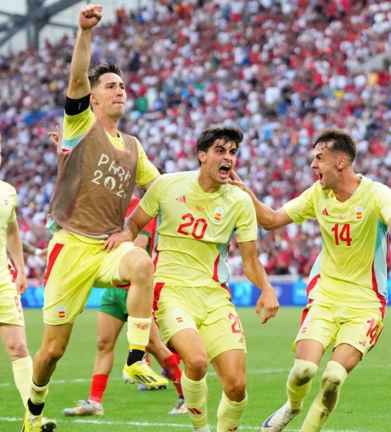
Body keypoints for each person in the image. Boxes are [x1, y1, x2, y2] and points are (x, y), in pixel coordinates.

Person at [22, 5, 165, 431]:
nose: (120, 91)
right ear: (95, 96)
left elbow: (160, 190)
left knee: (141, 262)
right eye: (110, 86)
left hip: (107, 247)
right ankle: (33, 414)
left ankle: (136, 359)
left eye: (123, 85)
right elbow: (75, 79)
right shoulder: (81, 124)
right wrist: (84, 35)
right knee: (51, 352)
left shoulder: (134, 147)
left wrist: (131, 228)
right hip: (70, 249)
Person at [229, 128, 391, 432]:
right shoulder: (318, 194)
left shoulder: (376, 194)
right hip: (325, 297)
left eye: (319, 158)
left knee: (333, 378)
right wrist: (243, 190)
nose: (313, 165)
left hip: (366, 304)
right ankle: (292, 406)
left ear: (340, 162)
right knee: (303, 370)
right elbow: (271, 220)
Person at [105, 125, 280, 432]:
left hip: (214, 296)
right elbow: (134, 223)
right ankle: (201, 428)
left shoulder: (239, 202)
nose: (229, 158)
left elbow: (250, 260)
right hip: (170, 290)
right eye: (220, 151)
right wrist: (126, 243)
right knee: (196, 361)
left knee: (237, 385)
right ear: (202, 155)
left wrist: (266, 287)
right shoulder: (167, 185)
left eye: (233, 153)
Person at [61, 193, 188, 417]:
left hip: (134, 288)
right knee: (103, 343)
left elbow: (139, 244)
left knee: (153, 345)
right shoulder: (106, 205)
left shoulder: (141, 207)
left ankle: (186, 397)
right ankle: (94, 403)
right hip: (113, 288)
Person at [0, 130, 57, 431]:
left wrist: (21, 269)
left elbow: (11, 230)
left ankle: (32, 419)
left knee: (20, 349)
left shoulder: (7, 191)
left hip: (1, 280)